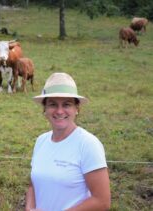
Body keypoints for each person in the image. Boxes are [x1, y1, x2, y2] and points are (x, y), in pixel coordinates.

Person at [25, 72, 110, 211]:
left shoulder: (88, 144)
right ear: (44, 109)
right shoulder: (41, 141)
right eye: (52, 104)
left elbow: (102, 201)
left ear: (77, 109)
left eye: (67, 104)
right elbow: (33, 185)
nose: (59, 111)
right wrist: (29, 208)